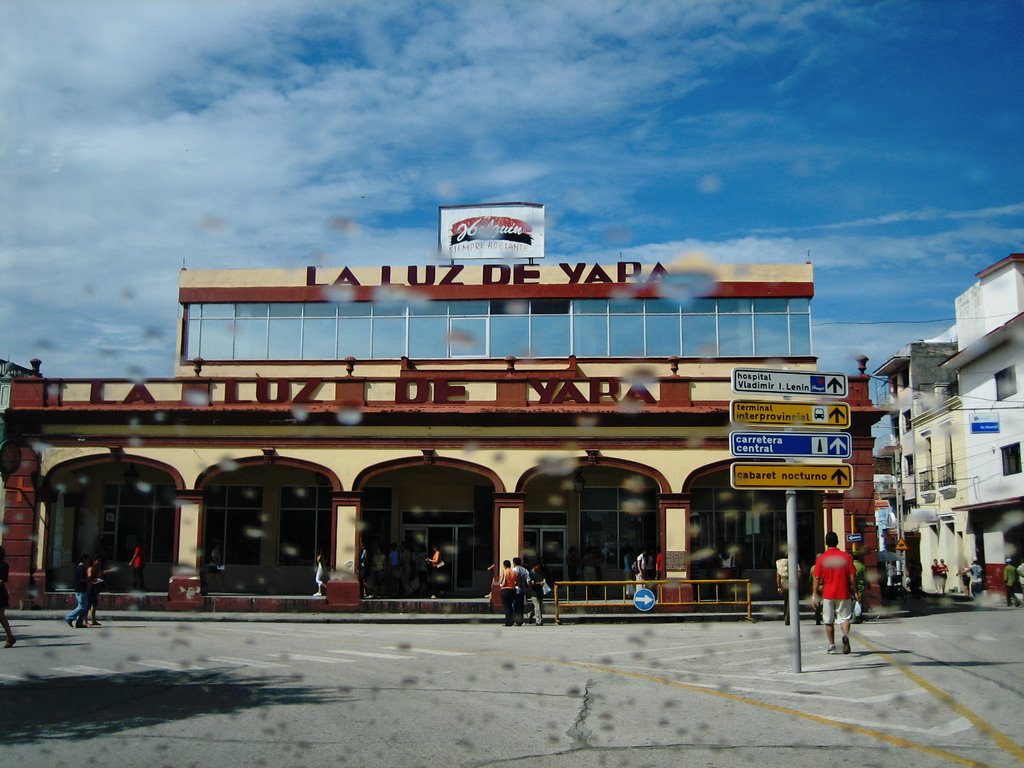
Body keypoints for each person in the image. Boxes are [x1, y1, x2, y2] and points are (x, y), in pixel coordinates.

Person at [811, 532, 857, 655]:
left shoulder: (821, 558)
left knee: (828, 621)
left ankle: (832, 645)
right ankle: (845, 635)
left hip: (828, 594)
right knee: (845, 618)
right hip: (844, 592)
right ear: (837, 542)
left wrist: (814, 594)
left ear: (826, 543)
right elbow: (853, 575)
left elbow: (816, 578)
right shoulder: (846, 557)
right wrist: (855, 591)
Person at [64, 553, 90, 629]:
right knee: (82, 607)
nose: (89, 561)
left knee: (84, 607)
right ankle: (69, 617)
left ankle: (79, 623)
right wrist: (89, 579)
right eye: (88, 559)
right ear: (84, 559)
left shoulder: (81, 567)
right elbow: (82, 579)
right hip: (81, 589)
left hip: (82, 589)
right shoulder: (81, 568)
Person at [775, 553, 801, 626]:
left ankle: (785, 616)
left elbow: (778, 576)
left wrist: (779, 586)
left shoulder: (780, 563)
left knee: (786, 601)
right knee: (791, 601)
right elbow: (799, 574)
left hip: (784, 584)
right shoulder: (793, 562)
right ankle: (788, 619)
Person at [86, 554, 107, 626]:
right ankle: (85, 620)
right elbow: (89, 578)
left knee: (94, 605)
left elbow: (100, 573)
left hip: (95, 589)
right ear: (94, 561)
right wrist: (95, 580)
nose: (99, 563)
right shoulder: (90, 568)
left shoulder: (96, 568)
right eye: (98, 561)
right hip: (90, 588)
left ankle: (93, 620)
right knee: (88, 605)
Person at [0, 546, 15, 648]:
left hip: (0, 594)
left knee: (1, 616)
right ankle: (10, 637)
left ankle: (10, 637)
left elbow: (2, 581)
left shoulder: (3, 565)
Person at [512, 557, 530, 625]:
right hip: (523, 590)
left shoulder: (513, 570)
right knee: (521, 606)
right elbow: (528, 580)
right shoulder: (525, 570)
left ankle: (516, 620)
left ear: (514, 563)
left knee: (515, 606)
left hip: (515, 589)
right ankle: (521, 620)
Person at [498, 560, 517, 627]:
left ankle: (507, 622)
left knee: (506, 606)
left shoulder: (504, 571)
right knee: (510, 605)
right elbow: (515, 581)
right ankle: (512, 621)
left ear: (504, 565)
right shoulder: (513, 572)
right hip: (512, 590)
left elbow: (501, 581)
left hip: (505, 590)